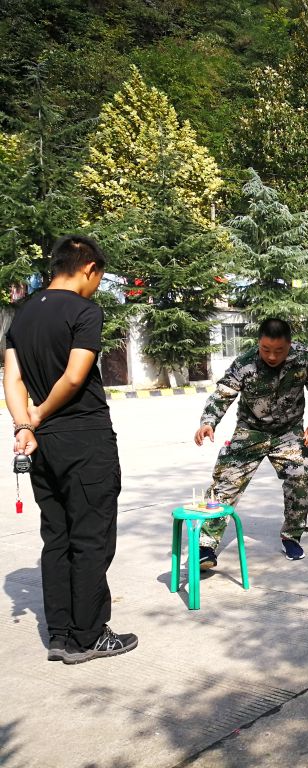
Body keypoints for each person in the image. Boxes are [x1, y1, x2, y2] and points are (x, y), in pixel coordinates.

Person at [4, 235, 137, 664]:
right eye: (99, 277)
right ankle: (89, 635)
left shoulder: (22, 315)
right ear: (89, 268)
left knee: (56, 536)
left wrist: (25, 424)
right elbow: (77, 376)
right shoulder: (84, 311)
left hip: (43, 446)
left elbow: (12, 379)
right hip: (85, 440)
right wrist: (40, 413)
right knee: (91, 538)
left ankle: (59, 634)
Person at [194, 318, 308, 565]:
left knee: (301, 474)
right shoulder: (245, 363)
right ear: (259, 343)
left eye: (279, 350)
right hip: (251, 431)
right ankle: (205, 546)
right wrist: (208, 421)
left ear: (290, 344)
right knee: (225, 483)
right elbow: (223, 393)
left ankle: (292, 536)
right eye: (266, 349)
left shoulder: (305, 357)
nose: (272, 356)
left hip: (288, 433)